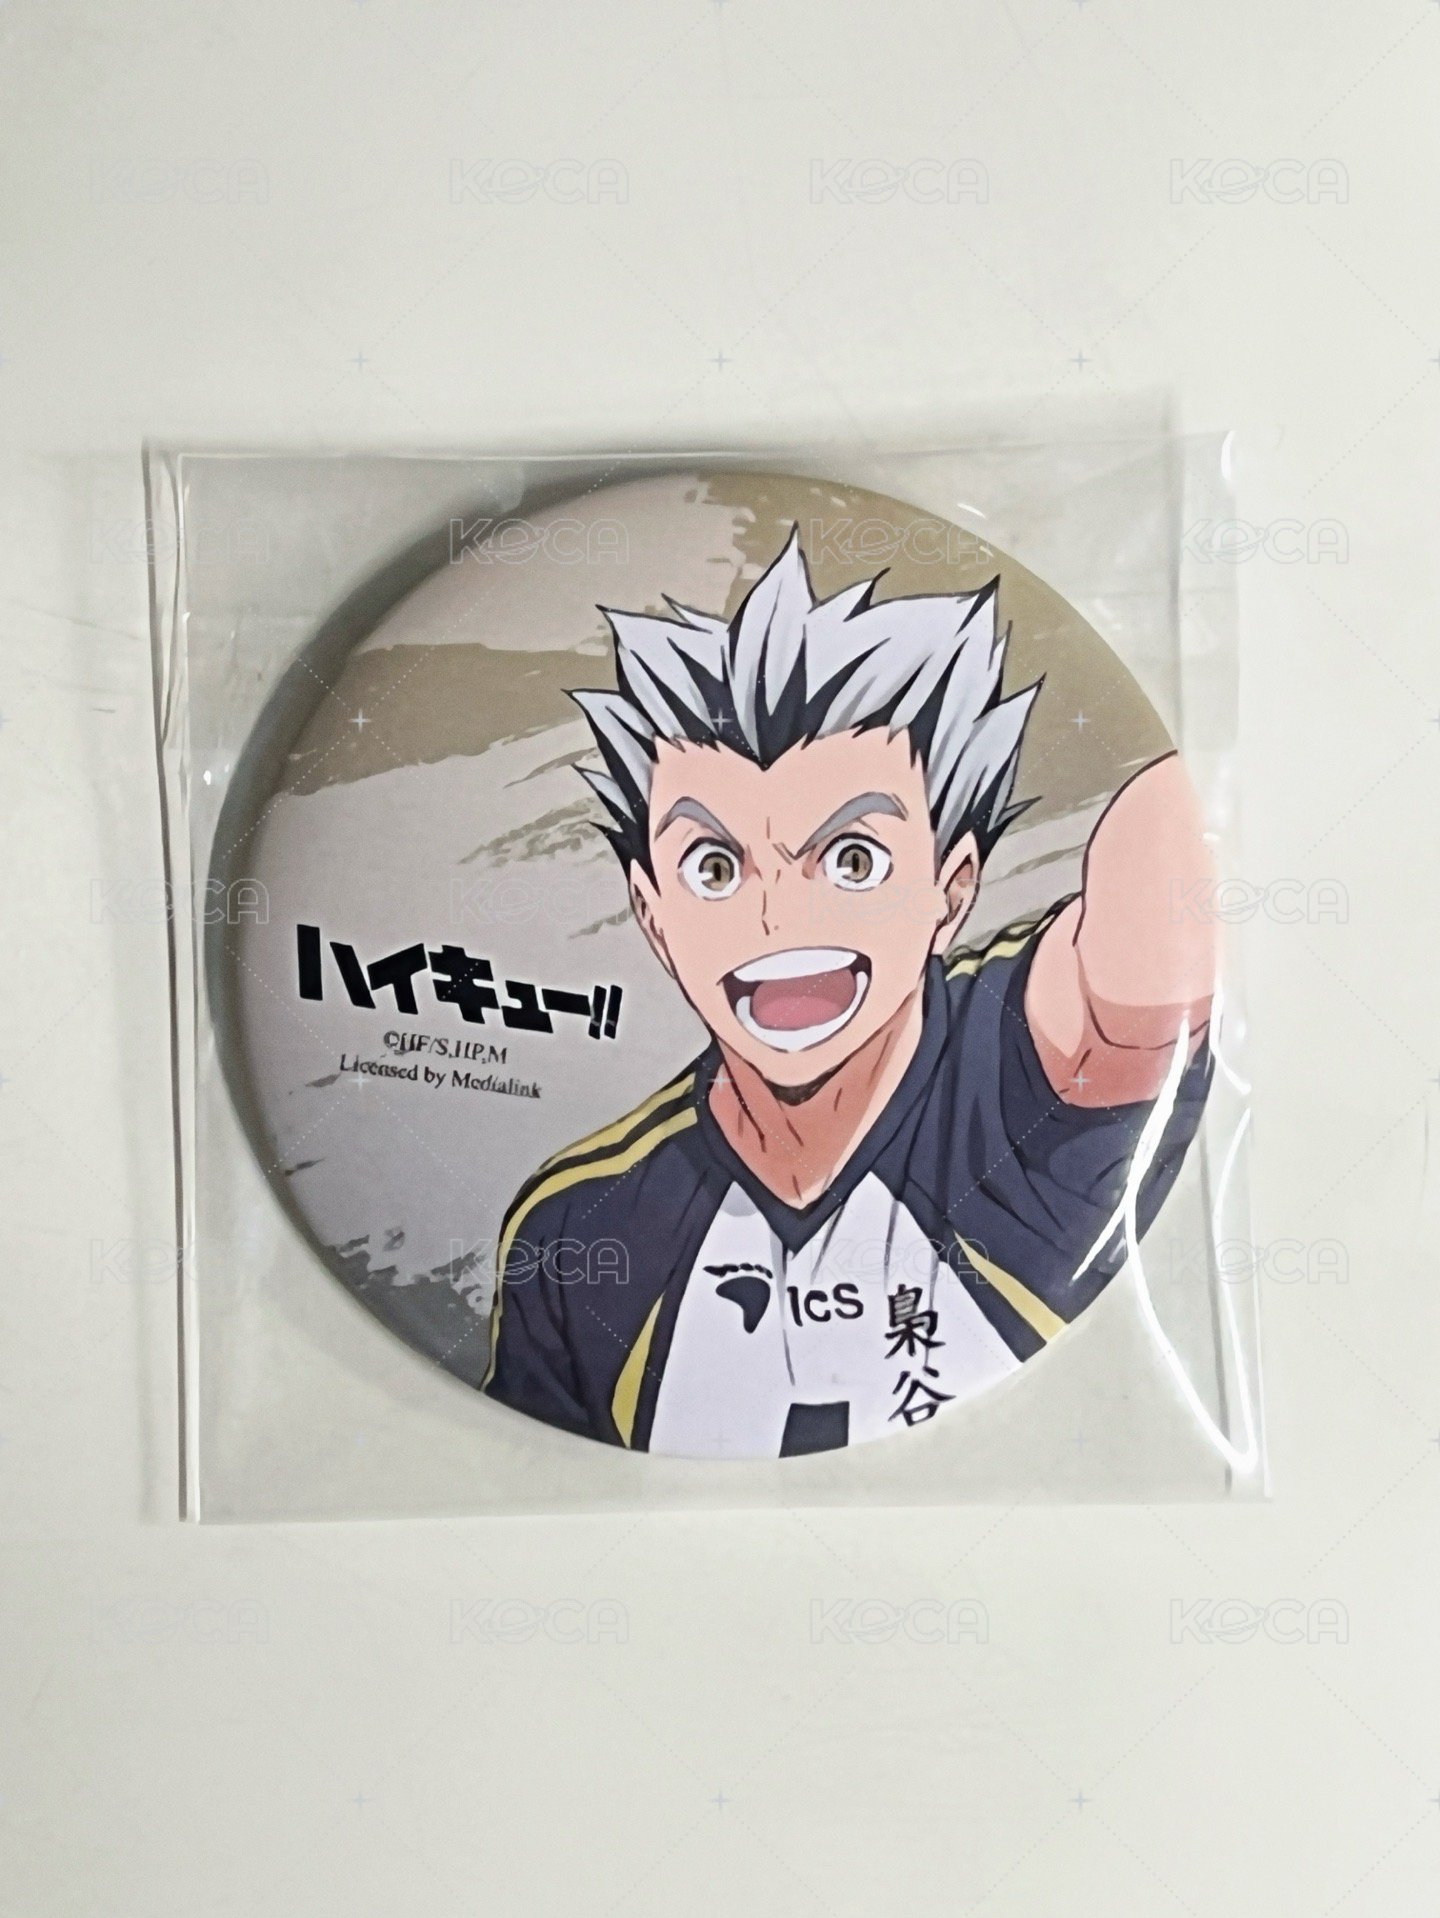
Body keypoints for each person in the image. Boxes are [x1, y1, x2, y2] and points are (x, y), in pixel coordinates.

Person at [484, 529, 1214, 1457]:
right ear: (652, 912)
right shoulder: (579, 1234)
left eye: (853, 859)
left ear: (952, 887)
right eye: (715, 869)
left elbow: (1140, 951)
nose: (777, 919)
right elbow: (542, 1491)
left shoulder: (1021, 1071)